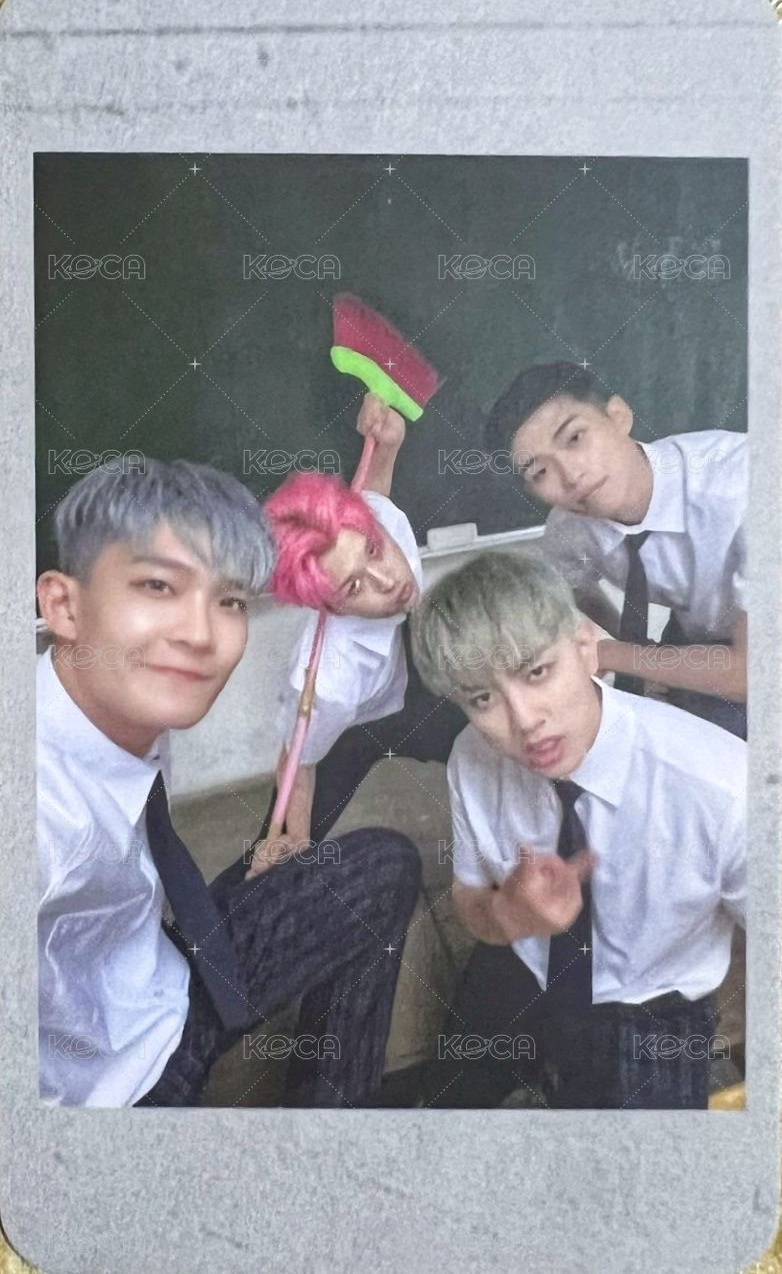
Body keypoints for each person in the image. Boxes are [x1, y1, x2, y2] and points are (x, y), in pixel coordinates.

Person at [36, 457, 420, 1108]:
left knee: (384, 870)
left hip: (162, 972)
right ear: (63, 605)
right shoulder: (41, 812)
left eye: (230, 600)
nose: (200, 634)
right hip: (130, 1090)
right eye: (158, 586)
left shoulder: (120, 701)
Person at [410, 550, 745, 1109]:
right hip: (523, 961)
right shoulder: (472, 756)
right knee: (445, 1112)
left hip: (653, 1005)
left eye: (537, 672)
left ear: (586, 647)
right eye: (483, 698)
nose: (524, 720)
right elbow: (470, 895)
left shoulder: (722, 788)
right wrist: (506, 915)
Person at [247, 392, 465, 872]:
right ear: (329, 607)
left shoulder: (377, 523)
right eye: (353, 587)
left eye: (372, 550)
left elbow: (374, 497)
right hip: (355, 726)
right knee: (281, 853)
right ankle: (237, 905)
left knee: (500, 740)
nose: (388, 580)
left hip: (415, 671)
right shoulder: (326, 680)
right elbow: (298, 758)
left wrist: (388, 446)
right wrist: (296, 835)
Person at [485, 361, 747, 738]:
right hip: (699, 628)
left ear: (619, 416)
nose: (571, 476)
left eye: (575, 438)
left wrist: (615, 654)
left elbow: (750, 674)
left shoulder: (745, 485)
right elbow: (570, 585)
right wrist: (635, 649)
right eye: (540, 472)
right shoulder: (569, 528)